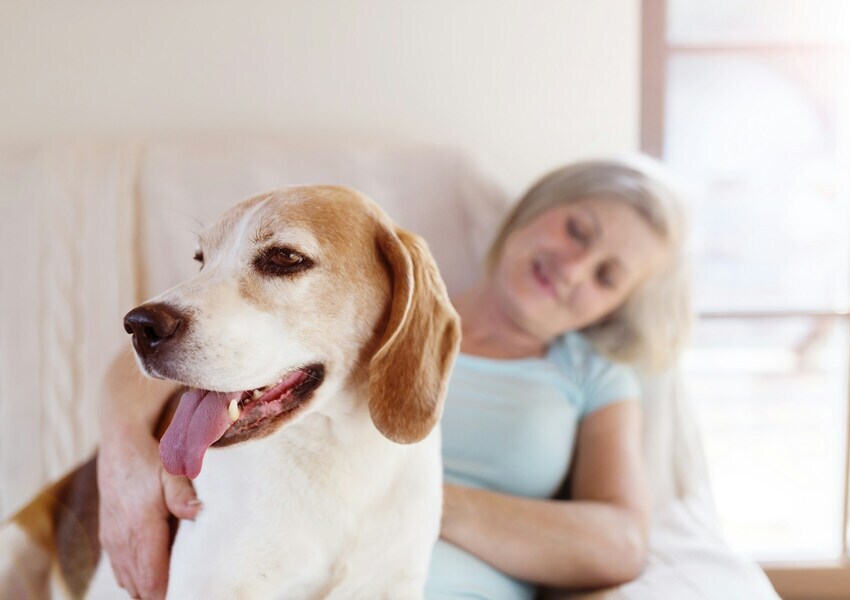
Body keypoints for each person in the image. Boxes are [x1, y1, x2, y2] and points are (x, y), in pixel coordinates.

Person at [96, 156, 691, 599]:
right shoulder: (385, 290)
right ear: (534, 212)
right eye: (577, 232)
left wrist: (398, 498)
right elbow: (164, 360)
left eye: (608, 275)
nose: (573, 266)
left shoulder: (594, 375)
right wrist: (124, 451)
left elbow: (619, 544)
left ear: (615, 307)